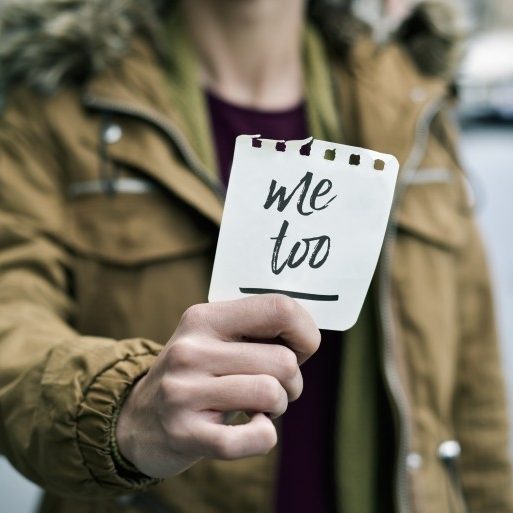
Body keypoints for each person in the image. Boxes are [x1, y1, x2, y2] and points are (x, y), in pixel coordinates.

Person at [0, 0, 512, 512]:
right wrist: (126, 410)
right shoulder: (55, 104)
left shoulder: (412, 97)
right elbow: (12, 331)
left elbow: (477, 403)